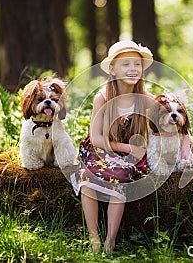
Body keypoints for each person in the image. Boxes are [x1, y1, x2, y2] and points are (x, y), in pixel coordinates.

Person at [71, 40, 155, 253]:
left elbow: (169, 115)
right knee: (88, 180)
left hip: (129, 155)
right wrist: (127, 149)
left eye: (136, 64)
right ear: (112, 69)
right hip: (101, 149)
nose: (132, 69)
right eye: (125, 64)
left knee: (120, 181)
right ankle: (94, 238)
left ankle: (110, 240)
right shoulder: (103, 98)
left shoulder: (144, 99)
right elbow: (96, 138)